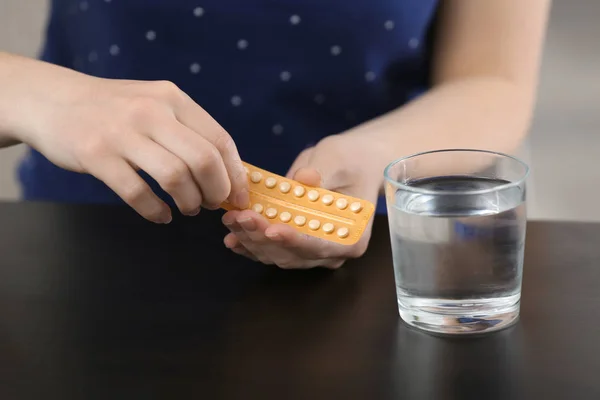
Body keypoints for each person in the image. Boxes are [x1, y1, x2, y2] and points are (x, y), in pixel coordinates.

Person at [0, 1, 550, 269]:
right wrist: (38, 95)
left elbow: (492, 78)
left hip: (378, 258)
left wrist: (376, 156)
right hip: (83, 251)